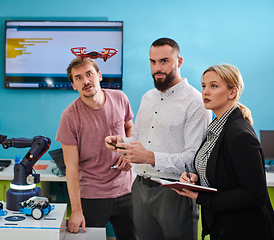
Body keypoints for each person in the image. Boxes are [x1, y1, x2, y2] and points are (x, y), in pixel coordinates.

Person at [105, 37, 212, 240]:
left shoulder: (196, 102)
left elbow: (194, 159)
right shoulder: (147, 97)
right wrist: (121, 143)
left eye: (164, 61)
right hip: (139, 189)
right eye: (153, 62)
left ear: (179, 62)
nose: (157, 68)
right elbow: (137, 138)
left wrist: (150, 157)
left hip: (175, 192)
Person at [174, 63, 274, 240]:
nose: (205, 91)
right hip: (223, 226)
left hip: (245, 231)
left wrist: (200, 196)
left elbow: (254, 194)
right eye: (204, 86)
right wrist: (196, 178)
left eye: (213, 86)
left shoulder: (240, 134)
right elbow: (219, 170)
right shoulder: (216, 128)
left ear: (232, 92)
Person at [55, 57, 137, 240]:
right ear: (73, 85)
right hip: (91, 195)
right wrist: (76, 211)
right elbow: (71, 168)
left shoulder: (120, 98)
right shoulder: (69, 116)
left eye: (89, 74)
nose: (85, 81)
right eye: (78, 78)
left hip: (126, 190)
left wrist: (128, 151)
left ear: (99, 76)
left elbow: (130, 128)